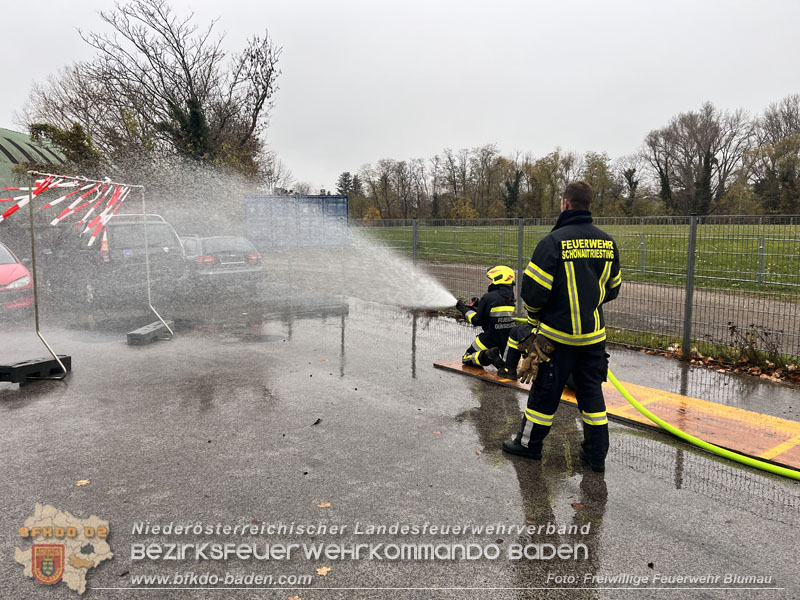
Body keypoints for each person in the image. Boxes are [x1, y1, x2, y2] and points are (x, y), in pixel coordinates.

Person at [502, 181, 621, 472]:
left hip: (556, 336)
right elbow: (613, 288)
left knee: (544, 392)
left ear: (565, 203)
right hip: (593, 337)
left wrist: (533, 320)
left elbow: (533, 292)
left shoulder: (552, 242)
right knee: (591, 394)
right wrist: (588, 303)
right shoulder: (607, 242)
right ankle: (596, 456)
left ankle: (529, 446)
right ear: (588, 204)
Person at [455, 266, 516, 370]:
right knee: (506, 365)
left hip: (490, 338)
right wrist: (479, 305)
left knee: (466, 358)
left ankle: (488, 355)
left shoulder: (488, 297)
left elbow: (477, 321)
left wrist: (463, 309)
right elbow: (493, 314)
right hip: (507, 340)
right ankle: (496, 357)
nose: (489, 282)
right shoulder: (510, 298)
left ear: (498, 279)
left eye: (491, 279)